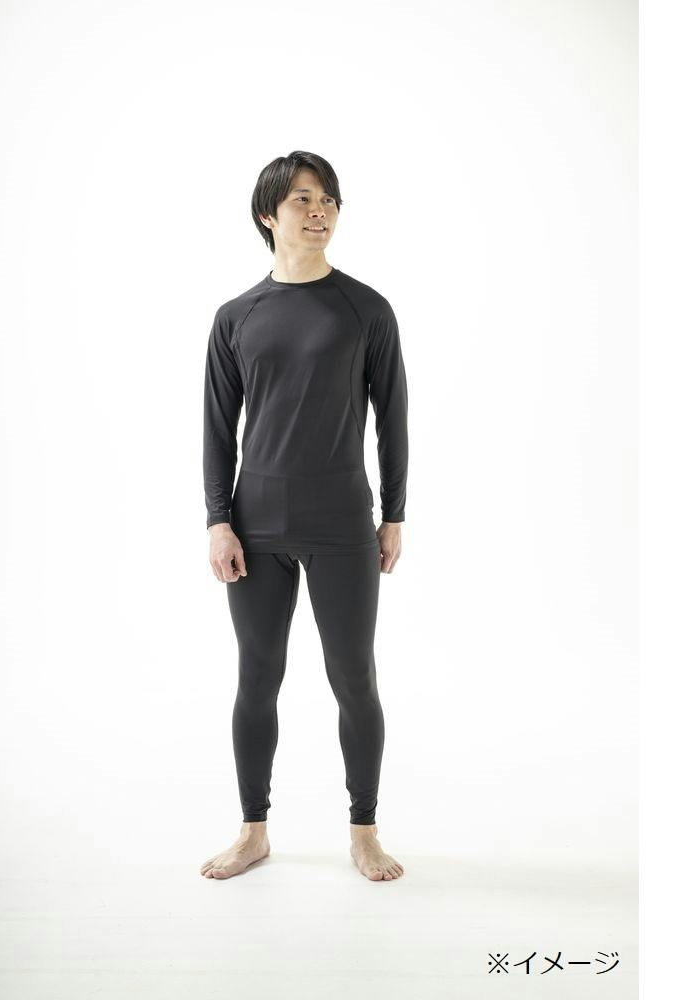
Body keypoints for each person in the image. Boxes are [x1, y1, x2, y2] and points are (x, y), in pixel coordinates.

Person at [200, 151, 409, 881]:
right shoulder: (237, 317)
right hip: (255, 525)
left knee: (354, 678)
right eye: (302, 199)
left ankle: (364, 831)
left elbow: (394, 419)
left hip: (343, 523)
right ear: (269, 215)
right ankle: (253, 831)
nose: (319, 211)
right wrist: (218, 520)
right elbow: (217, 429)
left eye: (328, 200)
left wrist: (394, 514)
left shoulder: (365, 309)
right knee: (257, 678)